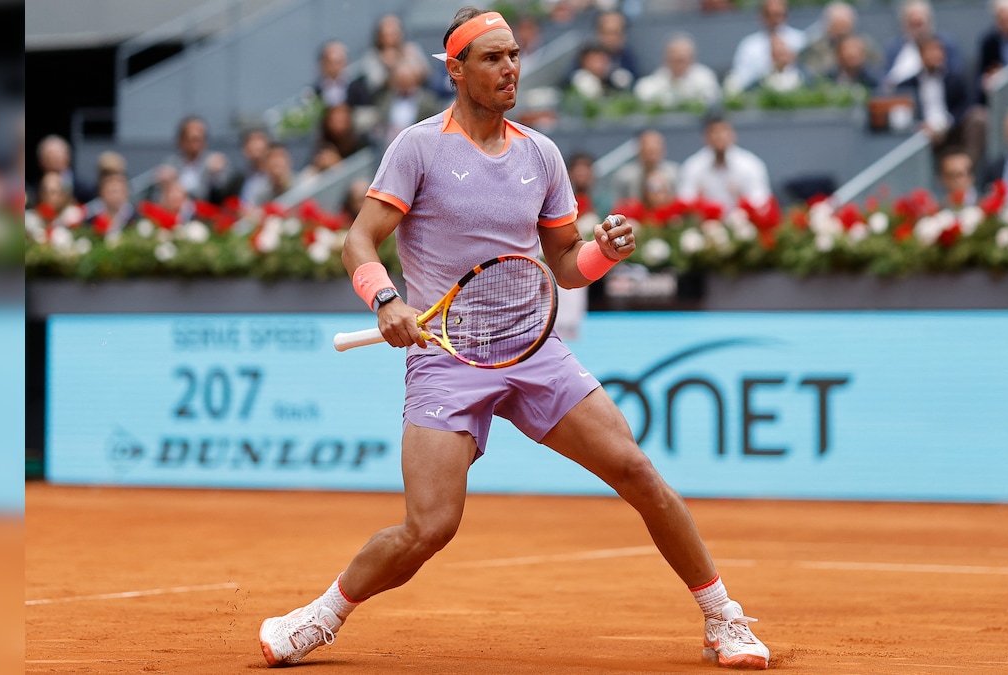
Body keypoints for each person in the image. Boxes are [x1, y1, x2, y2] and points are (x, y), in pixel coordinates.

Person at [258, 7, 771, 671]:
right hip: (446, 359)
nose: (510, 69)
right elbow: (359, 238)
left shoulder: (541, 154)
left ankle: (722, 617)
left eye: (514, 57)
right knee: (430, 527)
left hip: (533, 350)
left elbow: (563, 263)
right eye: (493, 58)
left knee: (636, 470)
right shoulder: (418, 147)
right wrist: (384, 297)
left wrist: (604, 255)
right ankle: (322, 614)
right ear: (456, 69)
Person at [896, 34, 987, 168]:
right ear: (921, 54)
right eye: (931, 51)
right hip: (922, 136)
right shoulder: (907, 86)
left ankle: (966, 168)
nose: (936, 55)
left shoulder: (956, 79)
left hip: (952, 130)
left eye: (939, 50)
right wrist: (920, 126)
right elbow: (903, 115)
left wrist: (947, 122)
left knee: (979, 117)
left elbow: (967, 104)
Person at [677, 116, 772, 214]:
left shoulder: (751, 164)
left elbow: (761, 202)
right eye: (714, 132)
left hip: (744, 223)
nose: (719, 136)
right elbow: (685, 201)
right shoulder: (693, 166)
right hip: (705, 224)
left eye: (724, 131)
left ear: (733, 134)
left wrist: (742, 202)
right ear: (705, 137)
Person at [726, 0, 806, 94]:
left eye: (779, 14)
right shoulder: (749, 46)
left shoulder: (800, 40)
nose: (775, 20)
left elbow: (810, 75)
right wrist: (772, 69)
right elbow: (740, 82)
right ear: (762, 16)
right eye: (770, 15)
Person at [882, 0, 963, 92]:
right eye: (913, 24)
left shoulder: (946, 44)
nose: (918, 30)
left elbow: (956, 77)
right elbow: (887, 80)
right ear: (904, 25)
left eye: (920, 24)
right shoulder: (894, 48)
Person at [633, 34, 722, 108]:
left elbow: (712, 98)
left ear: (692, 60)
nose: (678, 65)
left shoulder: (705, 78)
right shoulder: (654, 82)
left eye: (681, 60)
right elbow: (643, 93)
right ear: (665, 60)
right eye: (673, 60)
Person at [800, 2, 881, 80]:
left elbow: (878, 68)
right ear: (828, 27)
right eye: (838, 28)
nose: (842, 33)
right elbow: (813, 75)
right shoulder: (816, 49)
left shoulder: (864, 45)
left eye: (845, 28)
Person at [157, 116, 230, 202]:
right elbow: (157, 197)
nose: (196, 144)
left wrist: (216, 176)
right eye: (192, 139)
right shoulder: (171, 163)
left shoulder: (215, 161)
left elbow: (225, 193)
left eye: (200, 138)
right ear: (181, 141)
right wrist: (163, 184)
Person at [373, 61, 445, 148]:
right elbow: (381, 122)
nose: (404, 84)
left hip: (419, 144)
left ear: (414, 80)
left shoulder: (427, 101)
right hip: (391, 144)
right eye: (401, 81)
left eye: (406, 80)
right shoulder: (387, 100)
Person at [358, 13, 430, 98]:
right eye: (387, 34)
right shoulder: (373, 56)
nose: (392, 38)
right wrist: (390, 68)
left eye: (395, 33)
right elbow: (374, 83)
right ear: (380, 36)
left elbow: (427, 75)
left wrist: (407, 62)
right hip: (386, 101)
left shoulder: (412, 49)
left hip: (416, 98)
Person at [611, 128, 679, 204]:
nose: (652, 156)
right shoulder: (625, 176)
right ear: (639, 149)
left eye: (655, 149)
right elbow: (618, 203)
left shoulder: (674, 173)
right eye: (649, 150)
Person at [314, 41, 372, 109]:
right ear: (323, 64)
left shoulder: (358, 89)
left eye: (338, 62)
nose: (334, 67)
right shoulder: (315, 91)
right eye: (330, 62)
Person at [37, 134, 94, 204]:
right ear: (41, 161)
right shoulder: (34, 189)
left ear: (68, 157)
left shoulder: (84, 189)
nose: (53, 159)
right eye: (49, 156)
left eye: (57, 155)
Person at [568, 43, 634, 100]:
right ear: (584, 62)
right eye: (594, 61)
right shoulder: (579, 82)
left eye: (602, 60)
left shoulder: (614, 81)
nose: (599, 65)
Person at [592, 10, 640, 80]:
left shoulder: (629, 60)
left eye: (615, 33)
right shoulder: (585, 57)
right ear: (597, 33)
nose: (611, 38)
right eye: (606, 33)